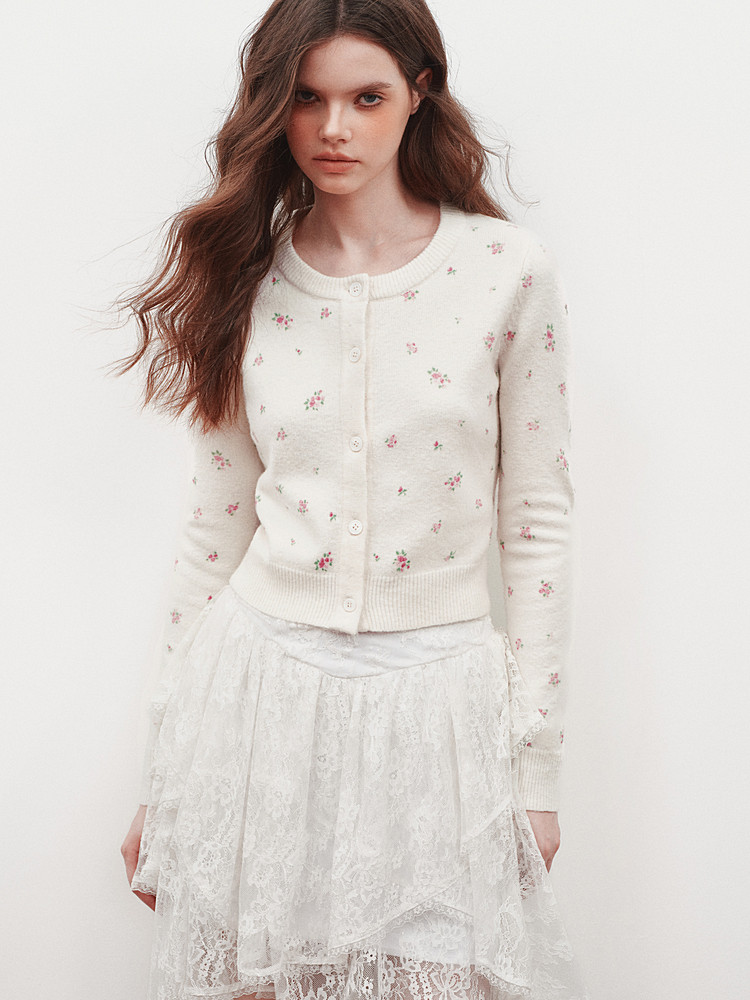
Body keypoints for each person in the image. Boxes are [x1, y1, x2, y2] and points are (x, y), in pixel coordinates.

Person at [116, 1, 588, 998]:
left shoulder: (506, 271)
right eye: (307, 99)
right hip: (261, 705)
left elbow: (538, 524)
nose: (334, 128)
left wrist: (534, 772)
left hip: (439, 712)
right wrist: (164, 779)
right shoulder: (248, 276)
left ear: (418, 94)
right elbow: (213, 530)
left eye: (366, 98)